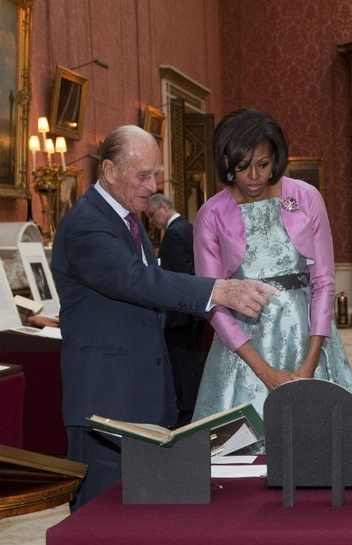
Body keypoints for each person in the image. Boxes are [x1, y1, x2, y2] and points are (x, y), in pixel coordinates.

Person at [51, 125, 278, 510]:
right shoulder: (85, 224)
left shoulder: (129, 218)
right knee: (100, 516)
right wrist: (218, 290)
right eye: (143, 175)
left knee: (141, 514)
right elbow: (134, 280)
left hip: (141, 396)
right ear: (109, 170)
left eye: (156, 174)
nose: (153, 186)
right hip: (105, 402)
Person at [191, 108, 352, 454]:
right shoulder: (211, 214)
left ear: (276, 157)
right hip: (244, 350)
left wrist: (311, 361)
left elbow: (323, 282)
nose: (253, 176)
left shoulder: (305, 198)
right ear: (225, 161)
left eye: (262, 164)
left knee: (321, 452)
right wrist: (263, 372)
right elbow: (212, 300)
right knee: (240, 457)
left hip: (307, 340)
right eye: (242, 166)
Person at [146, 193, 207, 427]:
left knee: (184, 375)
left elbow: (181, 277)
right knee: (190, 370)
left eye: (152, 215)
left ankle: (186, 424)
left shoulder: (173, 233)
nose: (152, 221)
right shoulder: (187, 228)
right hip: (192, 316)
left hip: (180, 317)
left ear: (164, 207)